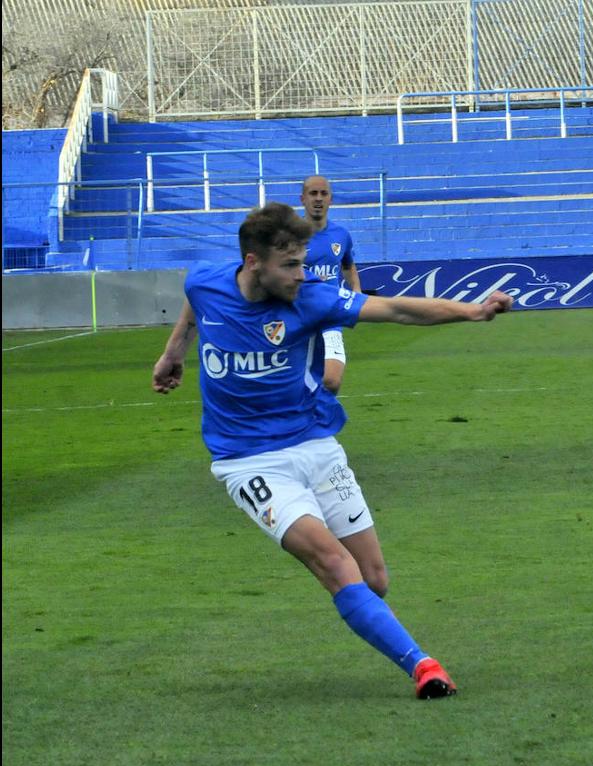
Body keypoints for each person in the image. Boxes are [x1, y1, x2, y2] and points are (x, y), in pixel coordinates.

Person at [152, 201, 513, 696]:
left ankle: (370, 616)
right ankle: (423, 666)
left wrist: (473, 311)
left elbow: (397, 308)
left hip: (317, 445)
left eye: (302, 262)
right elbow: (196, 301)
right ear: (253, 263)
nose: (302, 274)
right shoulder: (206, 280)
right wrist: (173, 353)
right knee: (334, 564)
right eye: (291, 265)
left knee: (374, 580)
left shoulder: (314, 299)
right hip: (248, 461)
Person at [300, 174, 361, 394]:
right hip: (300, 318)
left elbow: (347, 265)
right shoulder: (290, 237)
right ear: (302, 199)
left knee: (332, 381)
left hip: (330, 315)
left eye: (323, 193)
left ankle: (323, 423)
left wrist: (357, 292)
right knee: (300, 382)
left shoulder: (341, 235)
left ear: (331, 199)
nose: (318, 199)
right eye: (313, 193)